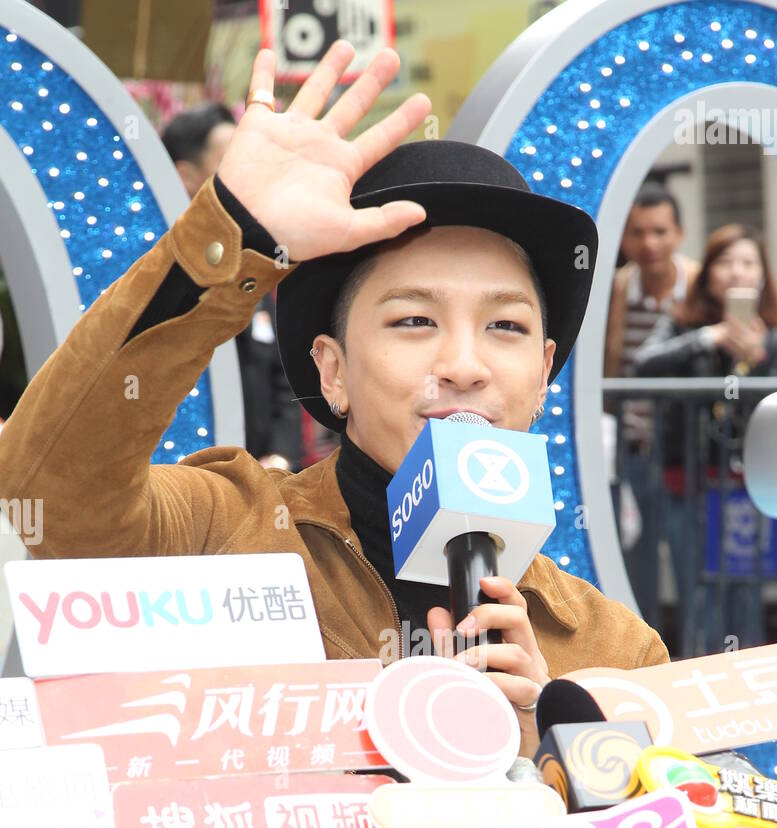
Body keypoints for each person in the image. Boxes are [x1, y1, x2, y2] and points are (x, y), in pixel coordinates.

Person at [0, 42, 667, 759]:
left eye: (505, 326)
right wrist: (232, 237)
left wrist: (552, 753)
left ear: (542, 376)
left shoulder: (615, 651)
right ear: (333, 370)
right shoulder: (228, 531)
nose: (466, 365)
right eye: (415, 320)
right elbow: (48, 498)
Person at [633, 223, 777, 655]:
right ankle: (701, 684)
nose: (737, 273)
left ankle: (752, 699)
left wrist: (754, 360)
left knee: (746, 592)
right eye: (725, 262)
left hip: (750, 487)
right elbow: (643, 363)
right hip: (690, 481)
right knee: (698, 591)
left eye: (747, 263)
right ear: (708, 273)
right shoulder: (684, 324)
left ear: (762, 275)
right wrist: (708, 338)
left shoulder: (775, 336)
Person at [162, 101, 305, 471]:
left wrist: (280, 458)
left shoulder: (254, 262)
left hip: (260, 485)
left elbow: (284, 376)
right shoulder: (158, 275)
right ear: (185, 176)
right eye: (229, 161)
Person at [603, 183, 699, 614]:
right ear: (624, 238)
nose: (649, 243)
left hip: (685, 453)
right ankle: (647, 656)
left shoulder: (700, 285)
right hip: (631, 450)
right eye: (638, 232)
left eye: (659, 231)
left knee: (692, 560)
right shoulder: (615, 288)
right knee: (635, 561)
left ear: (679, 233)